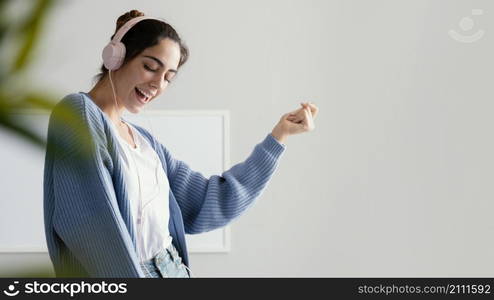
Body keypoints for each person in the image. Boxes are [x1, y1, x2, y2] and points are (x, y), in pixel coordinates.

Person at [43, 9, 319, 278]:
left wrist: (278, 137)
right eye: (151, 67)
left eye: (168, 78)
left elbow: (208, 203)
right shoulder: (79, 112)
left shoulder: (145, 141)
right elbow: (92, 231)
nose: (158, 84)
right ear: (116, 57)